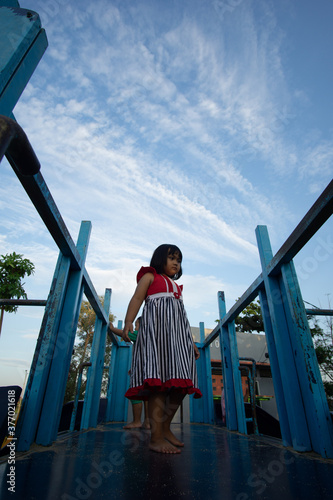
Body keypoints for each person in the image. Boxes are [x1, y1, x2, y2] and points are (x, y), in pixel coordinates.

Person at [122, 244, 202, 454]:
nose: (176, 262)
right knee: (159, 384)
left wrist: (190, 342)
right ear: (160, 259)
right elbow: (137, 299)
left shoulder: (177, 288)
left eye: (179, 260)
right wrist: (129, 321)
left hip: (177, 340)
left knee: (180, 384)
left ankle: (165, 428)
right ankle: (156, 437)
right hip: (157, 339)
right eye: (172, 258)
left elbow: (182, 318)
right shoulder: (150, 277)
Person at [108, 318, 150, 429]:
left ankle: (137, 421)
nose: (135, 328)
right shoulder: (150, 336)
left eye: (136, 325)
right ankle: (148, 422)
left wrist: (112, 329)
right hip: (149, 370)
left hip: (140, 370)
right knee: (147, 395)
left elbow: (124, 333)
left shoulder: (140, 333)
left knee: (136, 393)